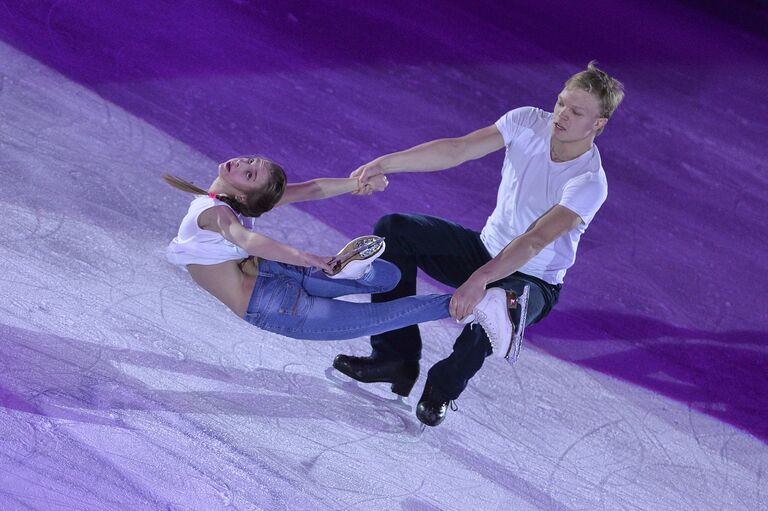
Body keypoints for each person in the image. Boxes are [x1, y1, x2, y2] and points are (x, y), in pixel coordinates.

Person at [333, 61, 625, 427]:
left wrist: (481, 280)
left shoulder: (589, 181)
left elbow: (535, 240)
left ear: (598, 124)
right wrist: (386, 163)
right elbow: (458, 149)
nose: (561, 114)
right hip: (485, 249)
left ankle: (441, 391)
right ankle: (395, 358)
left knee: (492, 312)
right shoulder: (526, 122)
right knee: (396, 230)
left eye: (576, 111)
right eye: (561, 102)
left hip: (532, 281)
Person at [164, 155, 514, 356]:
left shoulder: (216, 211)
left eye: (250, 169)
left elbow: (250, 239)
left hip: (272, 302)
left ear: (244, 197)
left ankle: (474, 303)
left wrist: (311, 258)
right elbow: (309, 191)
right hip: (275, 274)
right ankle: (358, 273)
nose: (242, 163)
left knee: (379, 316)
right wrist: (356, 183)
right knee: (388, 277)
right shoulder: (224, 209)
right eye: (250, 167)